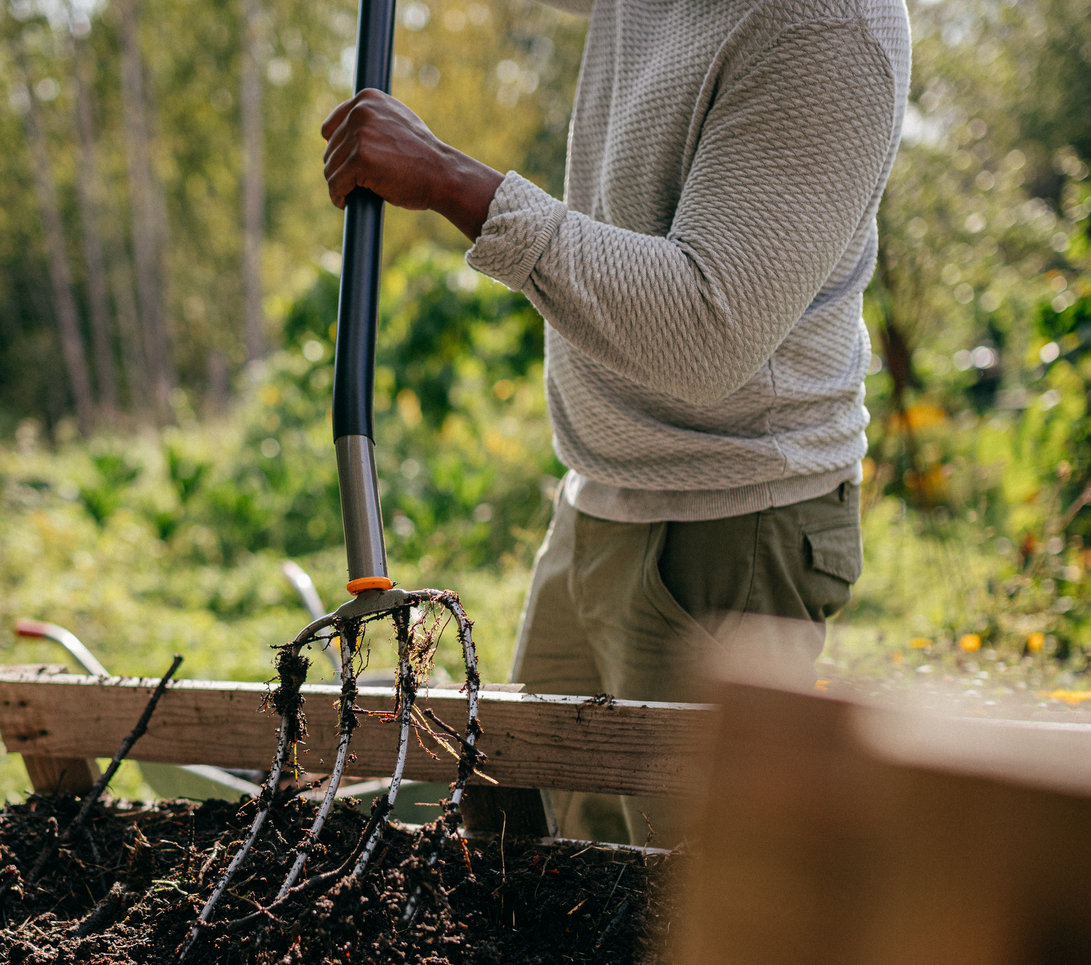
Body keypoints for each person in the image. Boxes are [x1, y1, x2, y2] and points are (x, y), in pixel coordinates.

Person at [320, 0, 911, 845]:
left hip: (731, 525)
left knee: (694, 920)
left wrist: (455, 183)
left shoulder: (828, 29)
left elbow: (707, 334)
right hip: (596, 504)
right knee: (541, 882)